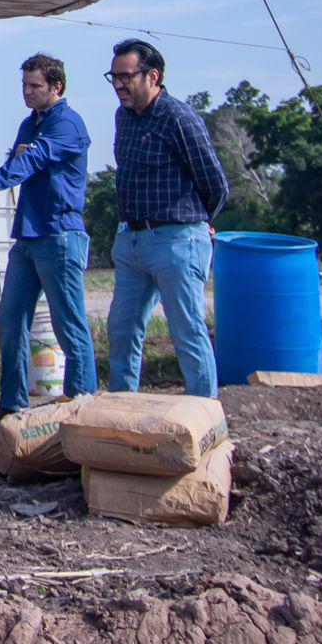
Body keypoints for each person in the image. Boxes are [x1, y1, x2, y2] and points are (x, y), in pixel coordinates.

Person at [0, 53, 97, 426]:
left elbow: (31, 160)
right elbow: (17, 160)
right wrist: (6, 170)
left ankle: (80, 405)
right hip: (28, 234)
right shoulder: (30, 123)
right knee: (11, 318)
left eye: (35, 85)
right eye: (24, 85)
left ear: (56, 87)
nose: (27, 91)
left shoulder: (67, 124)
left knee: (68, 323)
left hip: (59, 234)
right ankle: (12, 403)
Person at [104, 39, 229, 398]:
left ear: (153, 76)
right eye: (113, 77)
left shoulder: (179, 117)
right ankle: (121, 416)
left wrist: (198, 221)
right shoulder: (123, 117)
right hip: (131, 241)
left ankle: (204, 416)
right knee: (122, 329)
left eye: (125, 77)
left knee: (187, 331)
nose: (118, 85)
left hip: (177, 240)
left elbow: (215, 183)